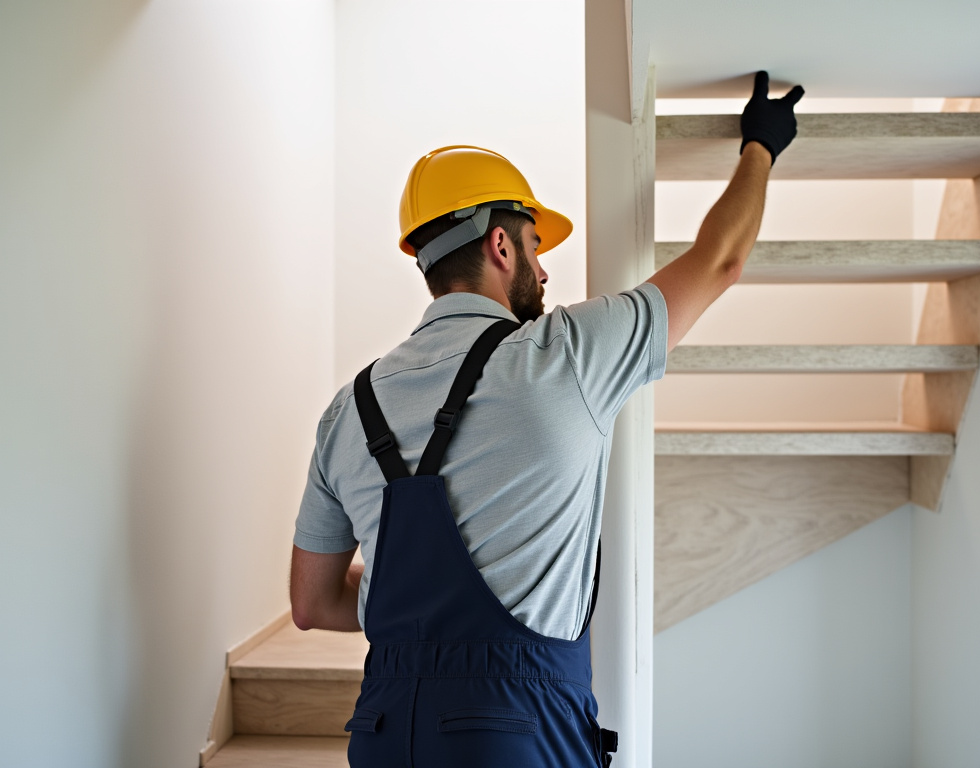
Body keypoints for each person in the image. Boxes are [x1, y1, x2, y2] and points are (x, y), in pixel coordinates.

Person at [290, 71, 804, 767]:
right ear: (501, 245)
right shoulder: (566, 353)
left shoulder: (347, 409)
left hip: (384, 737)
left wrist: (419, 621)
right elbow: (720, 260)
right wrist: (761, 147)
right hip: (513, 734)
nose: (544, 267)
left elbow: (312, 603)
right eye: (536, 244)